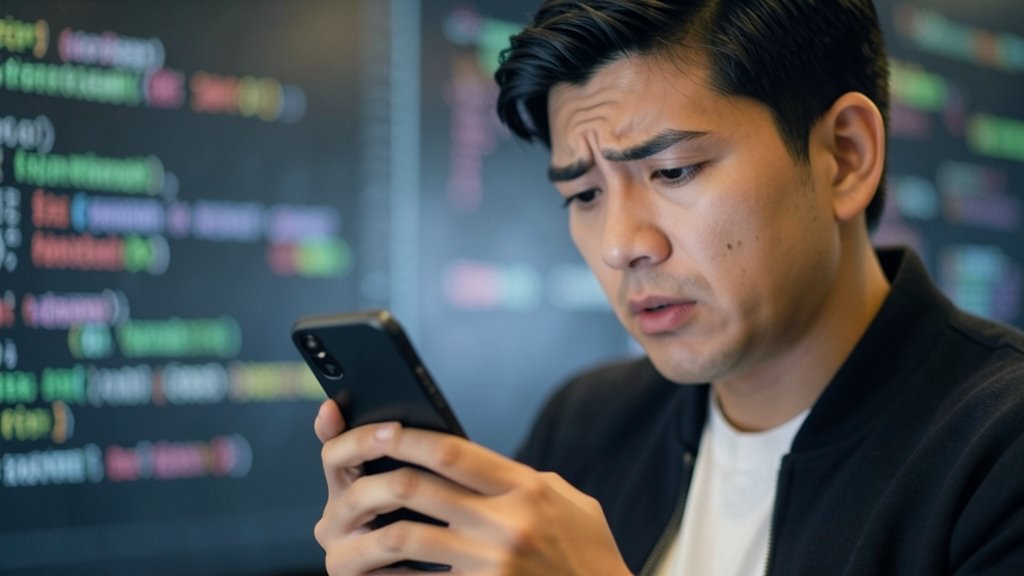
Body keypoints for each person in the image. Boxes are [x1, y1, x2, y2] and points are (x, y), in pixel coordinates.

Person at [312, 0, 1024, 574]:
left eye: (674, 171)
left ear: (845, 156)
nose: (623, 244)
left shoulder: (998, 452)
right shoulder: (587, 424)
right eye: (584, 194)